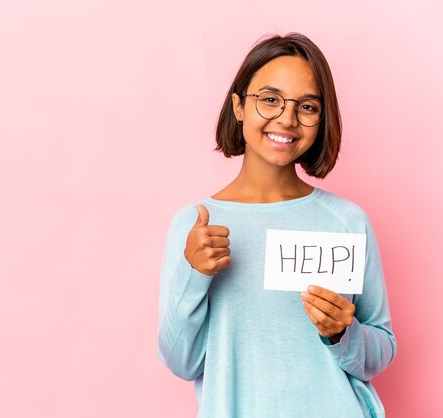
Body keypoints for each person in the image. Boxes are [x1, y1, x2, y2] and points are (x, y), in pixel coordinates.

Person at [157, 33, 396, 418]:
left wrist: (342, 334)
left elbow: (380, 350)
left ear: (322, 118)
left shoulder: (347, 221)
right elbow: (181, 362)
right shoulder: (195, 226)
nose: (286, 118)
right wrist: (194, 274)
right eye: (270, 99)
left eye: (307, 106)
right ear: (238, 106)